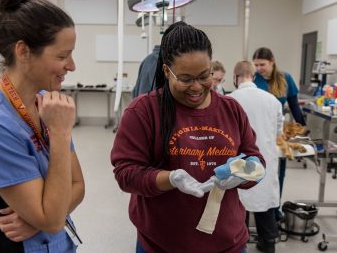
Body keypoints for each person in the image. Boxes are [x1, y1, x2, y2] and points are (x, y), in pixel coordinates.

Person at [111, 22, 265, 253]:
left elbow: (256, 160)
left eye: (205, 76)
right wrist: (169, 178)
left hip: (227, 242)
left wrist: (245, 172)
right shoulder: (143, 111)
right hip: (162, 244)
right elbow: (126, 174)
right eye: (185, 79)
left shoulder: (231, 110)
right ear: (166, 72)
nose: (196, 87)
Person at [0, 0, 85, 252]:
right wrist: (60, 134)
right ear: (23, 51)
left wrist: (42, 220)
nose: (71, 66)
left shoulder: (46, 104)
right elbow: (51, 218)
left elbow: (77, 185)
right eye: (62, 56)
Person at [229, 61, 284, 253]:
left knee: (239, 203)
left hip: (239, 160)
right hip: (264, 159)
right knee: (264, 203)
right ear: (253, 76)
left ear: (235, 78)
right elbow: (279, 131)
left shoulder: (229, 100)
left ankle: (240, 243)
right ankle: (268, 244)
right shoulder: (272, 100)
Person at [252, 47, 305, 216]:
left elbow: (294, 106)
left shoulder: (285, 78)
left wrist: (302, 129)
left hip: (278, 131)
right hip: (258, 129)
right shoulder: (254, 79)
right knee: (258, 168)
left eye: (262, 64)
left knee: (278, 170)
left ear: (272, 62)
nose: (259, 68)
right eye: (256, 65)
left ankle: (275, 207)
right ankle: (257, 206)